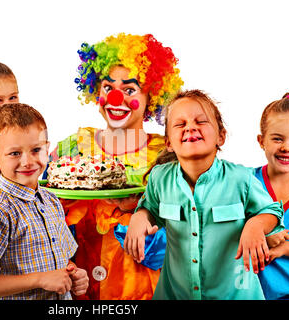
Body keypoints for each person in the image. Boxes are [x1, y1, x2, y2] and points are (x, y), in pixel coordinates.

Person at [48, 33, 183, 299]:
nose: (116, 98)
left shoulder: (166, 153)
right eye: (108, 88)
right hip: (81, 284)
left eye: (130, 90)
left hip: (139, 286)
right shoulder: (73, 147)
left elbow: (180, 228)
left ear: (151, 97)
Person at [124, 89, 285, 300]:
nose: (190, 127)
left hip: (236, 294)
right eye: (180, 124)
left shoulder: (240, 178)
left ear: (221, 136)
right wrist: (139, 217)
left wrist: (255, 225)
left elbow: (272, 210)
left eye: (201, 121)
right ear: (169, 143)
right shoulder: (159, 178)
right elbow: (150, 209)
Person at [0, 103, 89, 300]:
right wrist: (41, 279)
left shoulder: (51, 200)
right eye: (15, 153)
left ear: (47, 149)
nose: (27, 161)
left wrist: (74, 274)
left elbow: (62, 259)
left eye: (36, 150)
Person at [255, 94, 289, 299]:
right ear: (261, 141)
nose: (286, 147)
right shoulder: (243, 183)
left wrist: (285, 248)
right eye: (277, 138)